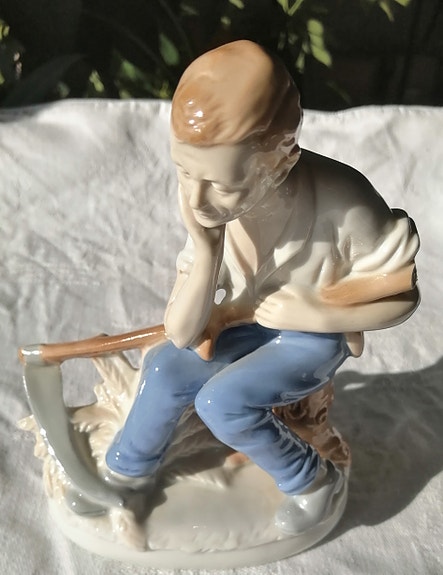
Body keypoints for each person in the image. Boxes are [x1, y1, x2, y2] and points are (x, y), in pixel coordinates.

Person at [105, 40, 419, 534]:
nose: (197, 199)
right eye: (184, 171)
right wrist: (206, 250)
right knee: (164, 367)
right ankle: (126, 472)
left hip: (313, 337)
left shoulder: (346, 203)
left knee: (222, 401)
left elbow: (402, 294)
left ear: (281, 159)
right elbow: (181, 333)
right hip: (248, 324)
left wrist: (315, 314)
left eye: (222, 184)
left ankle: (311, 480)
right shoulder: (207, 207)